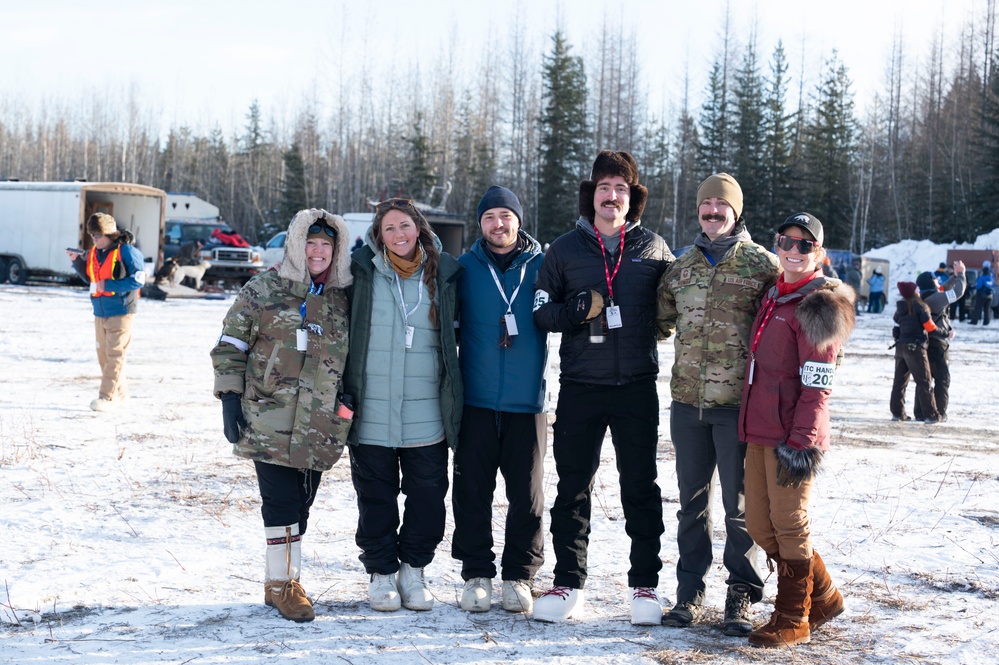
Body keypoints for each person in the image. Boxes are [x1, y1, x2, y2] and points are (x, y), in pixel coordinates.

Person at [531, 150, 674, 625]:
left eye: (621, 189)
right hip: (581, 386)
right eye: (604, 187)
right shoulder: (564, 249)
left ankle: (645, 587)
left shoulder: (654, 248)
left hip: (636, 385)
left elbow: (677, 303)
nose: (611, 197)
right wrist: (575, 310)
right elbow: (541, 313)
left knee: (640, 486)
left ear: (632, 197)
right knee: (572, 486)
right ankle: (568, 582)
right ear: (591, 194)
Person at [210, 209, 353, 622]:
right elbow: (230, 345)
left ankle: (282, 580)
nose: (318, 251)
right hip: (269, 416)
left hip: (323, 421)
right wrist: (230, 398)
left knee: (302, 504)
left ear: (336, 249)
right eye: (310, 243)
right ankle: (283, 586)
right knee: (280, 502)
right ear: (295, 245)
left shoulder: (345, 296)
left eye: (326, 244)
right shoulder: (264, 288)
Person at [655, 173, 778, 635]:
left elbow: (789, 318)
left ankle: (741, 595)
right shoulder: (681, 267)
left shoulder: (762, 265)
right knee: (691, 503)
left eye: (720, 207)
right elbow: (660, 323)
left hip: (737, 409)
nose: (712, 214)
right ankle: (690, 593)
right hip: (687, 405)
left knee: (740, 508)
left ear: (735, 211)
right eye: (705, 206)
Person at [738, 212, 855, 648]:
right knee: (757, 524)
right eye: (786, 241)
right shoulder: (774, 295)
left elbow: (818, 383)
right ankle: (822, 597)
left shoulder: (819, 303)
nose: (792, 250)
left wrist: (801, 441)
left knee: (789, 522)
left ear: (819, 253)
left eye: (804, 245)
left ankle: (792, 617)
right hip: (760, 426)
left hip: (793, 435)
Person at [343, 198, 463, 613]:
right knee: (375, 495)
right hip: (372, 408)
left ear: (419, 229)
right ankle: (380, 572)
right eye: (389, 228)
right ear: (378, 234)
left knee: (428, 495)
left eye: (405, 226)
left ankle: (413, 570)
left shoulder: (444, 274)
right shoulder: (360, 273)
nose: (399, 235)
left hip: (426, 409)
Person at [452, 186, 548, 614]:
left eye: (505, 215)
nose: (498, 224)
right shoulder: (464, 268)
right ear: (480, 224)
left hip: (527, 402)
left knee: (527, 496)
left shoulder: (544, 266)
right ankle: (476, 574)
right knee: (472, 491)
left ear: (518, 220)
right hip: (475, 399)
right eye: (489, 216)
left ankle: (519, 577)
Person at [65, 213, 147, 412]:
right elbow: (90, 278)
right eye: (92, 235)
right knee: (103, 355)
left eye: (98, 235)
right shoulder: (94, 252)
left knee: (115, 355)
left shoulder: (126, 251)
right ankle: (121, 394)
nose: (94, 239)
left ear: (110, 234)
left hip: (121, 311)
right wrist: (77, 262)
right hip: (100, 311)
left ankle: (107, 397)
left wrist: (108, 284)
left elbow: (139, 279)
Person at [913, 263, 966, 423]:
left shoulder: (927, 296)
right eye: (936, 279)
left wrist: (955, 277)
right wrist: (962, 275)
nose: (939, 281)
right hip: (938, 343)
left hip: (926, 342)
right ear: (931, 282)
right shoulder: (936, 298)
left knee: (925, 378)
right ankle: (940, 413)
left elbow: (943, 288)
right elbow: (957, 292)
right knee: (942, 379)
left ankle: (921, 412)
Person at [890, 281, 941, 424]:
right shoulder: (920, 307)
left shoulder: (899, 309)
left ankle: (897, 413)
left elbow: (895, 330)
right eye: (917, 289)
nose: (919, 291)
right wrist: (946, 333)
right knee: (925, 382)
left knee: (899, 382)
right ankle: (931, 415)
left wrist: (901, 341)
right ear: (914, 292)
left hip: (900, 347)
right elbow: (931, 328)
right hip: (916, 348)